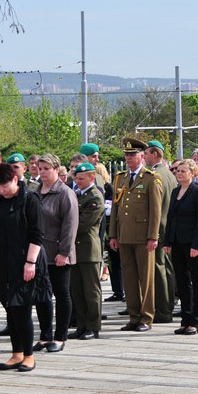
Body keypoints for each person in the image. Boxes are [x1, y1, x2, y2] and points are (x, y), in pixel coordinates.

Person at [0, 163, 51, 372]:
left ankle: (29, 356)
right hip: (1, 262)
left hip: (24, 262)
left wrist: (30, 263)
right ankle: (16, 353)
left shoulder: (30, 199)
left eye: (4, 186)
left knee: (21, 309)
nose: (1, 190)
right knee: (10, 309)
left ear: (15, 179)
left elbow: (37, 234)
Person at [109, 137, 163, 332]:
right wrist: (113, 235)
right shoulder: (120, 178)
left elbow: (155, 211)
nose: (129, 158)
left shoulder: (151, 178)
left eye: (133, 155)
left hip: (143, 236)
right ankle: (133, 316)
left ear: (142, 156)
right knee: (129, 279)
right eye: (127, 155)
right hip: (124, 235)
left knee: (146, 280)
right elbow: (115, 208)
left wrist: (153, 237)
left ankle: (146, 317)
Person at [34, 154, 78, 353]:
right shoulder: (36, 192)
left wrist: (64, 252)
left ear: (56, 169)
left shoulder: (64, 193)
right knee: (41, 296)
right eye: (40, 168)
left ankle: (60, 337)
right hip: (39, 253)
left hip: (58, 253)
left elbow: (70, 225)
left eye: (46, 169)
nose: (42, 172)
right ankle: (45, 335)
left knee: (61, 293)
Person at [163, 159, 198, 334]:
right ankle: (185, 318)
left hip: (193, 243)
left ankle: (195, 321)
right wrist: (167, 241)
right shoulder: (175, 191)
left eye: (183, 171)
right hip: (177, 241)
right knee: (182, 281)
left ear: (193, 173)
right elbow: (170, 217)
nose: (179, 173)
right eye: (177, 171)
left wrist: (197, 244)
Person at [69, 163, 106, 340]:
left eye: (81, 178)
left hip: (88, 249)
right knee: (77, 290)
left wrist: (66, 228)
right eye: (76, 178)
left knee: (91, 291)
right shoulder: (77, 194)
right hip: (75, 249)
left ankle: (93, 326)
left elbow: (83, 223)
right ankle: (81, 325)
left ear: (92, 177)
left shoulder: (95, 197)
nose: (78, 181)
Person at [144, 140, 177, 323]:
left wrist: (152, 232)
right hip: (167, 227)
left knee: (159, 269)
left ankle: (163, 310)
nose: (144, 157)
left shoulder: (155, 175)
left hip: (158, 229)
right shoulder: (169, 174)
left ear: (155, 154)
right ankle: (167, 306)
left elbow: (155, 207)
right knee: (167, 268)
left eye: (146, 153)